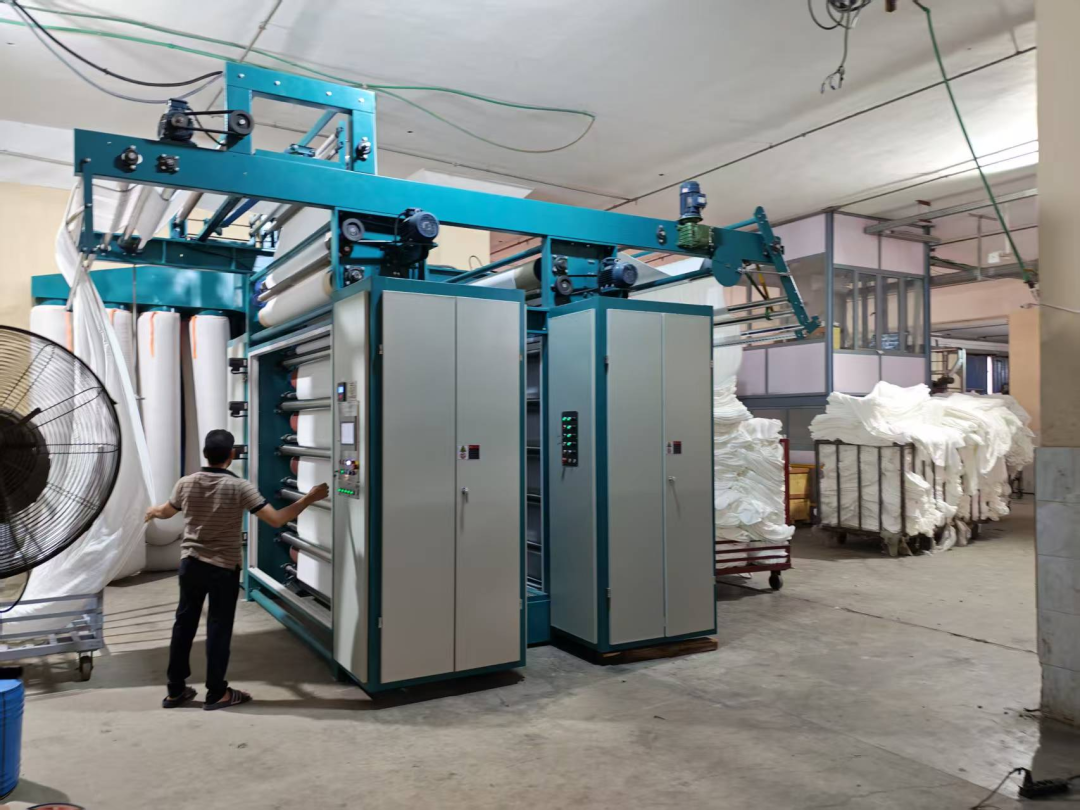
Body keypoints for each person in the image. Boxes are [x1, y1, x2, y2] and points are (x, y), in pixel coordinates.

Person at [145, 429, 329, 711]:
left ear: (205, 454)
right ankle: (216, 693)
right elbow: (276, 519)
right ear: (231, 454)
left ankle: (175, 691)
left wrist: (152, 511)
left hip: (191, 565)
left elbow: (166, 512)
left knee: (184, 624)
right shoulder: (240, 487)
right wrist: (309, 499)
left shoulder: (186, 483)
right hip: (222, 569)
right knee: (218, 628)